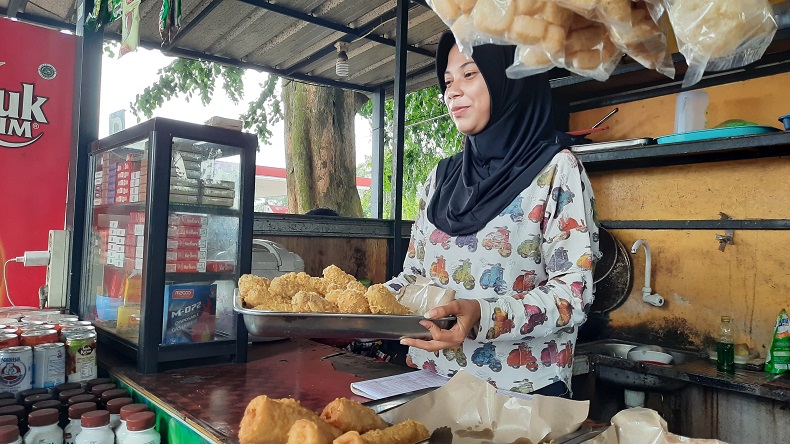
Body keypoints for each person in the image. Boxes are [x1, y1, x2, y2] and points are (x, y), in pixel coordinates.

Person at [386, 32, 600, 398]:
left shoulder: (555, 171)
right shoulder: (441, 178)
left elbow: (572, 294)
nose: (452, 92)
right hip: (433, 380)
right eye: (448, 81)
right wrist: (355, 305)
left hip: (519, 394)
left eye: (469, 74)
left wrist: (482, 316)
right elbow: (415, 277)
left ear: (510, 81)